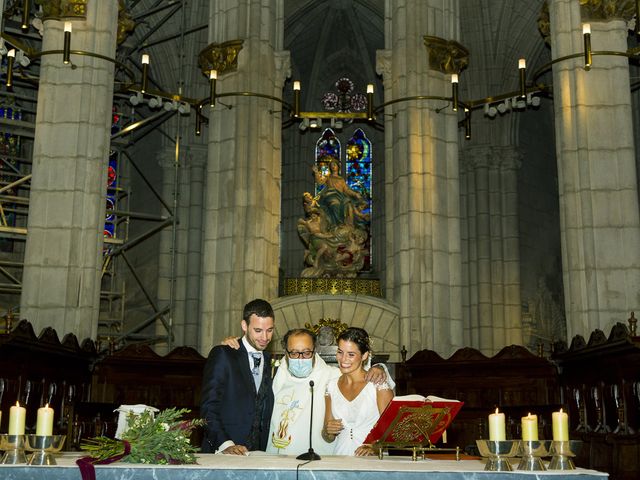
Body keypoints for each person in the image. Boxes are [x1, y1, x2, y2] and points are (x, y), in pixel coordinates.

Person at [222, 327, 393, 456]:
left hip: (331, 458)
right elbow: (245, 378)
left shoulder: (329, 375)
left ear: (315, 351)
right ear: (286, 353)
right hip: (280, 456)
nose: (300, 358)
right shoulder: (276, 373)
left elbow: (390, 424)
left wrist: (380, 367)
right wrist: (232, 347)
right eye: (294, 353)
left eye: (306, 352)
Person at [200, 299, 275, 454]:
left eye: (270, 330)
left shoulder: (269, 360)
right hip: (223, 452)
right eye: (258, 330)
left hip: (259, 454)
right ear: (244, 326)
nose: (265, 337)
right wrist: (226, 444)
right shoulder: (224, 354)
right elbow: (208, 407)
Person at [322, 327, 393, 456]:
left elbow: (392, 432)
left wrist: (374, 447)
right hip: (341, 456)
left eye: (351, 354)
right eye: (340, 352)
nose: (343, 359)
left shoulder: (378, 385)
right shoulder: (331, 386)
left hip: (372, 460)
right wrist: (328, 431)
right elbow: (328, 436)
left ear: (364, 355)